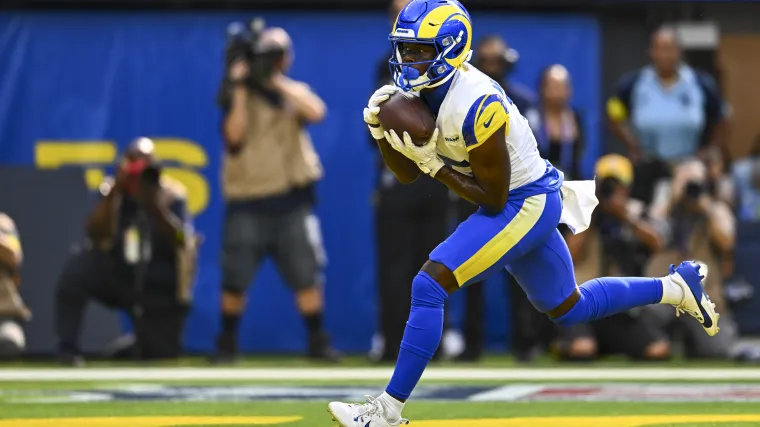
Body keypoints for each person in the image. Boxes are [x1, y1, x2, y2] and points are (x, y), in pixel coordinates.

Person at [328, 1, 720, 425]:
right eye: (405, 49)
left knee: (429, 283)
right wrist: (383, 133)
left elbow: (493, 200)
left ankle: (388, 410)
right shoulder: (421, 91)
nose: (409, 60)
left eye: (421, 50)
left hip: (525, 201)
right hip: (519, 199)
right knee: (570, 306)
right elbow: (407, 173)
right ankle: (675, 287)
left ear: (451, 48)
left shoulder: (476, 104)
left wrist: (435, 166)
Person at [216, 26, 339, 362]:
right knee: (235, 277)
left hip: (291, 200)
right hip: (248, 200)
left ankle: (317, 341)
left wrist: (274, 80)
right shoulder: (236, 94)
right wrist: (241, 86)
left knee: (307, 274)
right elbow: (234, 137)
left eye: (278, 53)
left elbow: (317, 111)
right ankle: (227, 343)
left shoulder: (289, 90)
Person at [55, 138, 195, 365]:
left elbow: (182, 240)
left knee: (161, 355)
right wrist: (115, 192)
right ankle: (67, 348)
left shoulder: (172, 194)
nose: (139, 169)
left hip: (158, 283)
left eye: (145, 162)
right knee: (77, 270)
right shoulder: (112, 190)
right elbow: (94, 232)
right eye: (133, 161)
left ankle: (134, 345)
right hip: (119, 274)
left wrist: (156, 208)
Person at [370, 0, 451, 363]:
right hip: (400, 175)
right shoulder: (386, 67)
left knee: (437, 263)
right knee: (395, 265)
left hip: (437, 174)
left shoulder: (448, 68)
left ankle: (435, 342)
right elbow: (383, 126)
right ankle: (391, 342)